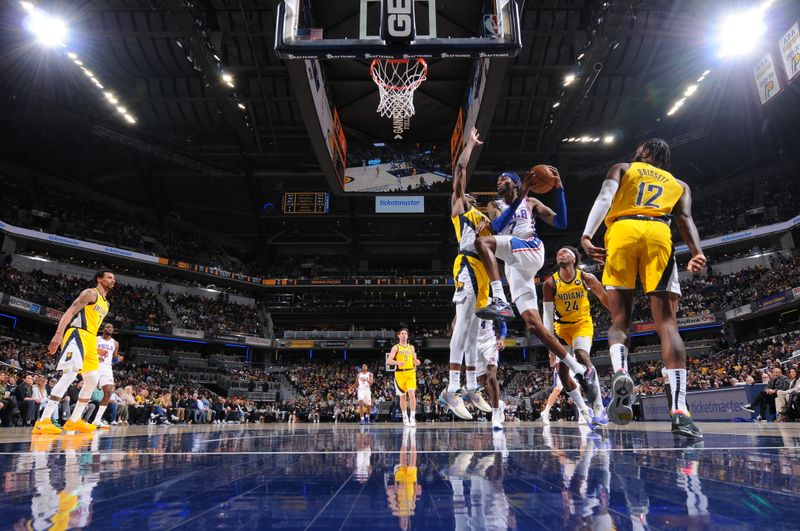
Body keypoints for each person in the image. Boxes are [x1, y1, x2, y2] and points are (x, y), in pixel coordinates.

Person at [581, 138, 706, 438]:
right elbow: (685, 219)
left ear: (646, 154)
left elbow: (605, 197)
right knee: (667, 324)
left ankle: (622, 372)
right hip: (659, 234)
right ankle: (679, 411)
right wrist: (697, 252)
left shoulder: (624, 168)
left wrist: (587, 235)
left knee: (619, 320)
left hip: (623, 232)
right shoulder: (680, 185)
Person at [474, 170, 598, 428]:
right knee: (534, 325)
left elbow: (561, 222)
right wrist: (525, 192)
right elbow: (497, 226)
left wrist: (559, 187)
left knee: (483, 243)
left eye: (504, 179)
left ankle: (499, 297)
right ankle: (577, 372)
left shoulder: (530, 203)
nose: (499, 182)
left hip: (530, 248)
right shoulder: (495, 205)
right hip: (514, 265)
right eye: (498, 180)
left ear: (516, 183)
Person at [441, 127, 491, 420]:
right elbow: (460, 170)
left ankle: (472, 386)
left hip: (484, 275)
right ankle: (452, 388)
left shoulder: (484, 216)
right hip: (467, 267)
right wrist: (469, 145)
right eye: (464, 193)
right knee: (462, 328)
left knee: (474, 332)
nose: (468, 194)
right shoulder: (462, 211)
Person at [32, 270, 115, 435]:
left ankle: (74, 420)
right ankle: (43, 421)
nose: (113, 280)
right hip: (77, 334)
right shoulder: (90, 293)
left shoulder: (106, 303)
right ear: (99, 279)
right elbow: (70, 312)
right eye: (110, 277)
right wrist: (58, 334)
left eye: (114, 278)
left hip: (91, 339)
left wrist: (94, 347)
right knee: (69, 375)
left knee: (92, 380)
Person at [542, 245, 609, 422]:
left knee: (581, 355)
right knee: (562, 373)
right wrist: (550, 346)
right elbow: (547, 316)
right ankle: (583, 408)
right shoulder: (550, 283)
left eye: (565, 252)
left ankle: (599, 408)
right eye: (558, 253)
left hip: (582, 324)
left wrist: (620, 319)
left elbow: (604, 298)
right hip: (562, 329)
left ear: (574, 259)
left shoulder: (586, 277)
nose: (560, 254)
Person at [475, 317, 507, 431]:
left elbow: (502, 322)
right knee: (483, 382)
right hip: (474, 345)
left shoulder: (491, 301)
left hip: (490, 342)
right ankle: (499, 403)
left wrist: (502, 338)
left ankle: (496, 414)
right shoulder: (466, 301)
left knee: (491, 376)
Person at [386, 327, 421, 427]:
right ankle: (405, 417)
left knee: (412, 394)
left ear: (407, 335)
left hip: (410, 372)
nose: (404, 335)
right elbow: (389, 361)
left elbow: (414, 360)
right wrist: (397, 362)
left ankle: (413, 418)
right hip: (400, 374)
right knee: (402, 397)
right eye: (402, 333)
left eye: (405, 333)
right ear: (399, 336)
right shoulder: (396, 347)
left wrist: (416, 362)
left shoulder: (411, 347)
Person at [93, 323, 120, 429]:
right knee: (88, 390)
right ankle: (77, 417)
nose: (110, 328)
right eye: (108, 327)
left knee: (108, 392)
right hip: (95, 365)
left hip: (107, 368)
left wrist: (118, 359)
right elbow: (89, 350)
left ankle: (97, 420)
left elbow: (115, 358)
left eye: (111, 327)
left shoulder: (115, 343)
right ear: (103, 329)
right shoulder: (96, 339)